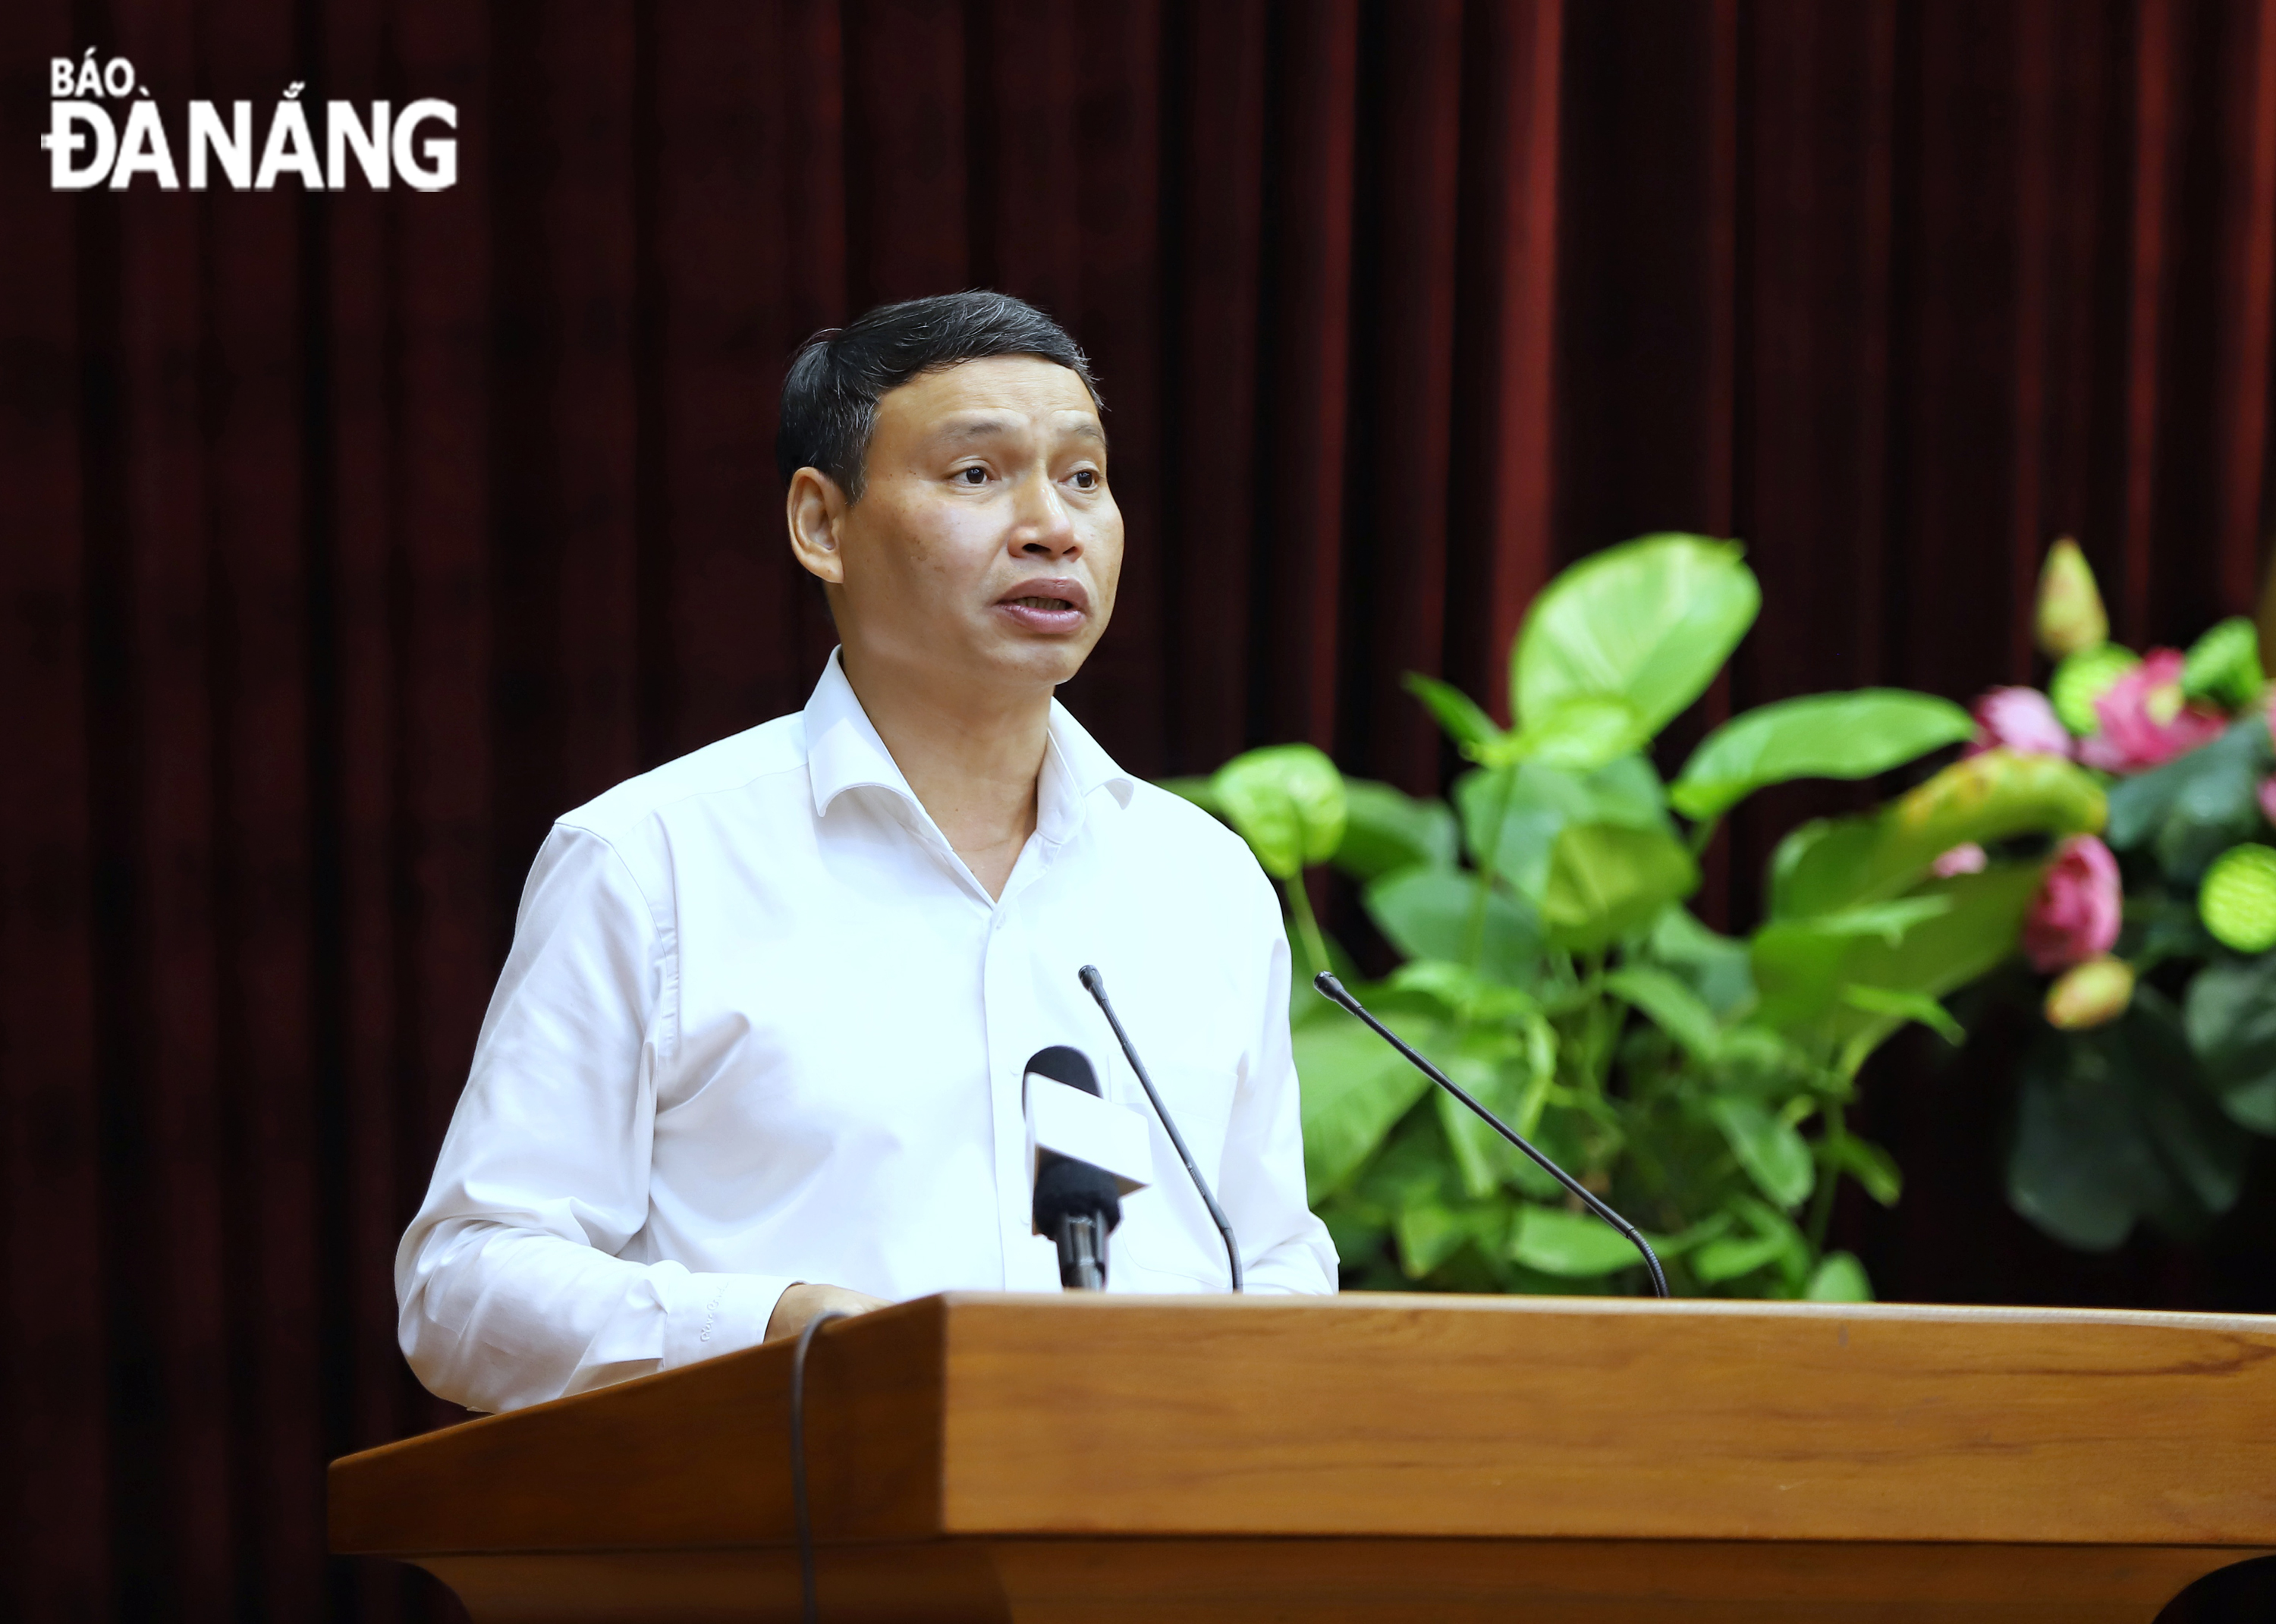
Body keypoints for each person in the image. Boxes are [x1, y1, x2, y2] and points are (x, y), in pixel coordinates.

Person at [395, 291, 1337, 1414]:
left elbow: (1274, 1260)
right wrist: (773, 1329)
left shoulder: (1203, 883)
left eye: (1083, 477)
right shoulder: (651, 863)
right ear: (821, 525)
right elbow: (465, 1286)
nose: (1053, 525)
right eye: (977, 476)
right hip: (794, 1550)